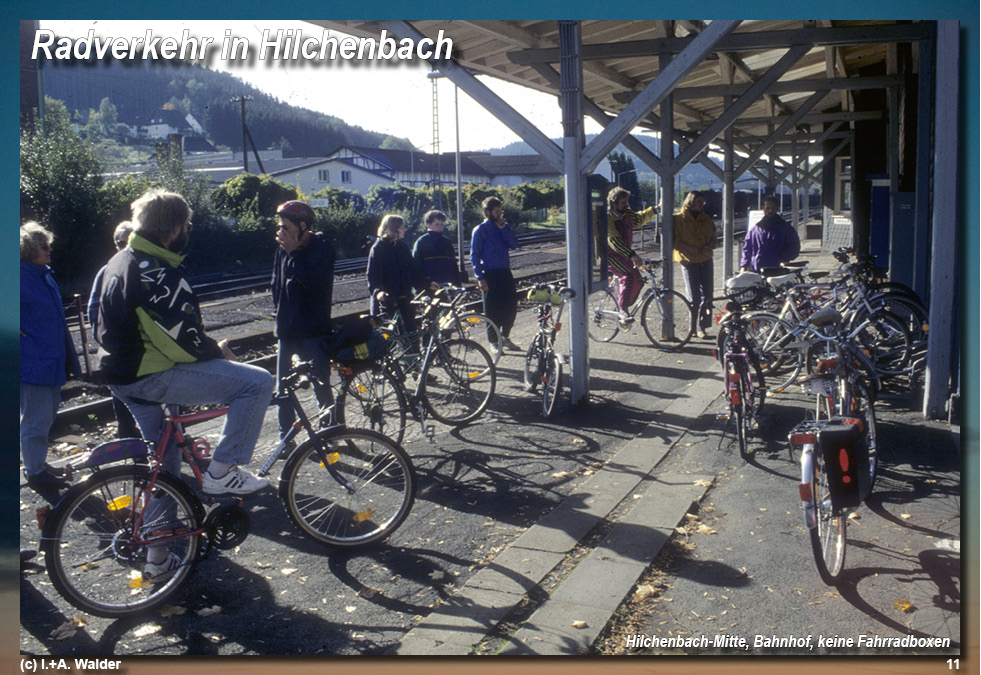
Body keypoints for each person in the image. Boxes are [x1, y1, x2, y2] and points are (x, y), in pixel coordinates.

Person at [95, 189, 275, 502]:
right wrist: (219, 351)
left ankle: (157, 550)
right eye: (188, 226)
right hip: (149, 375)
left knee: (164, 468)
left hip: (120, 374)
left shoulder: (120, 260)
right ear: (174, 228)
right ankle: (222, 473)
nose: (188, 232)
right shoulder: (156, 273)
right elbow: (183, 342)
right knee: (258, 382)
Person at [20, 222, 79, 491]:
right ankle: (35, 472)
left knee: (43, 416)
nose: (50, 249)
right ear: (28, 248)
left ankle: (38, 464)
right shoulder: (18, 277)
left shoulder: (41, 274)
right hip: (33, 363)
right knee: (35, 420)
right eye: (44, 245)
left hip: (47, 359)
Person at [271, 200, 336, 440]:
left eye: (285, 226)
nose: (281, 231)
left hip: (313, 329)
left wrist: (294, 253)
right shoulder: (283, 248)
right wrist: (279, 312)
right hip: (287, 329)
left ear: (302, 226)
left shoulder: (323, 247)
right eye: (280, 226)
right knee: (283, 389)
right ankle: (285, 440)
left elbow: (310, 279)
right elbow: (276, 284)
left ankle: (330, 431)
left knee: (321, 383)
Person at [87, 221, 139, 439]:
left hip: (141, 347)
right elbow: (93, 309)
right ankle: (127, 437)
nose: (124, 246)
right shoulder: (108, 270)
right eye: (120, 243)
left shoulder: (141, 267)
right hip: (118, 349)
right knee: (121, 395)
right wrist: (106, 340)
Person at [470, 196, 520, 353]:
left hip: (504, 271)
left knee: (511, 306)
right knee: (492, 309)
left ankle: (505, 337)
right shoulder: (480, 230)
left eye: (500, 211)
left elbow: (513, 245)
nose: (499, 214)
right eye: (496, 211)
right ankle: (493, 341)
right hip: (489, 273)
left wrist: (503, 229)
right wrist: (480, 277)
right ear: (487, 212)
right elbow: (475, 255)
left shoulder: (504, 226)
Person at [367, 214, 432, 333]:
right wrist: (378, 292)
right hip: (388, 302)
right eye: (402, 227)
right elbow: (373, 276)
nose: (405, 229)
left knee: (411, 337)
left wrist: (427, 283)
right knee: (391, 339)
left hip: (405, 299)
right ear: (394, 228)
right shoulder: (378, 248)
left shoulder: (402, 246)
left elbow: (413, 271)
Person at [606, 187, 659, 329]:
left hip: (624, 253)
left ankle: (624, 304)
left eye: (627, 201)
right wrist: (632, 255)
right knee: (628, 275)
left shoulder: (627, 214)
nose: (627, 204)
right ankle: (622, 310)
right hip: (608, 255)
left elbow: (639, 219)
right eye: (623, 202)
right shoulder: (607, 217)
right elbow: (613, 240)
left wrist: (655, 210)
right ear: (613, 203)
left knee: (638, 280)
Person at [673, 191, 717, 339]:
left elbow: (714, 237)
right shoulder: (679, 219)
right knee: (694, 297)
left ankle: (702, 327)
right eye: (698, 202)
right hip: (689, 260)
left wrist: (710, 245)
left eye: (702, 202)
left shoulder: (706, 219)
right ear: (690, 201)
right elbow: (673, 240)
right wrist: (686, 247)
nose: (701, 205)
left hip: (705, 259)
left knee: (708, 295)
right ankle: (692, 327)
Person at [740, 195, 801, 273]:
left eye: (773, 208)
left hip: (778, 268)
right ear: (763, 208)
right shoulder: (755, 230)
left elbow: (794, 246)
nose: (770, 211)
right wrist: (744, 265)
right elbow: (747, 248)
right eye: (768, 208)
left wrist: (784, 259)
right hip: (758, 269)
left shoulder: (786, 228)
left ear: (777, 208)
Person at [411, 209, 463, 290]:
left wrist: (458, 285)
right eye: (437, 225)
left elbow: (454, 265)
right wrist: (423, 285)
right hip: (429, 287)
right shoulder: (421, 242)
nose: (440, 228)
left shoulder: (446, 242)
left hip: (447, 286)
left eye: (442, 225)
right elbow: (416, 268)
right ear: (428, 225)